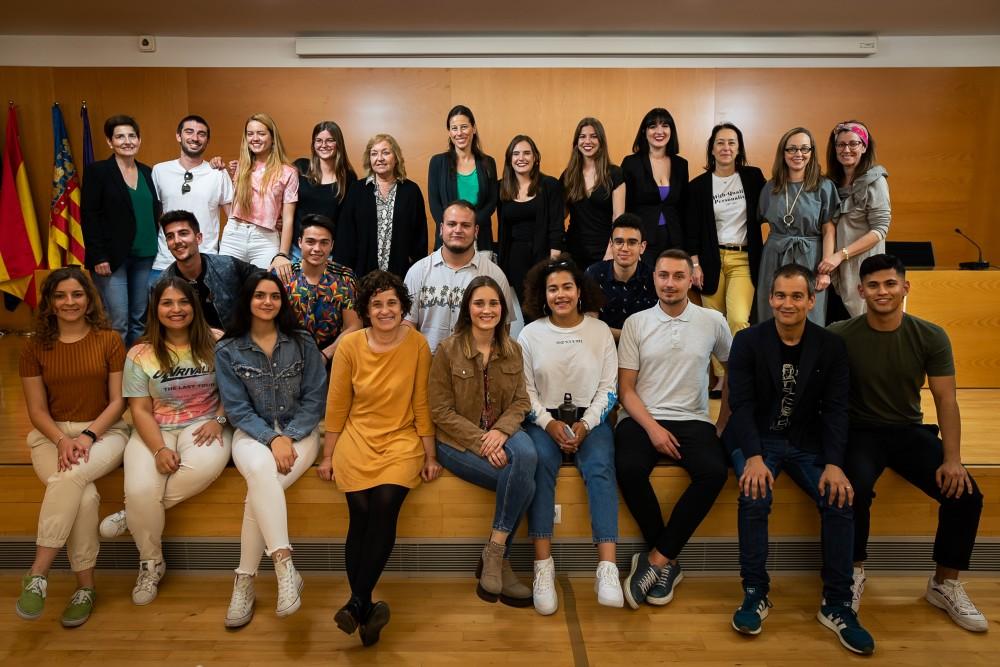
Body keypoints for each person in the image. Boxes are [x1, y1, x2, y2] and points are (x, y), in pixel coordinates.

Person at [829, 254, 987, 632]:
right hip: (860, 432)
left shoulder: (930, 335)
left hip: (907, 430)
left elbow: (946, 399)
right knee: (853, 490)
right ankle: (852, 574)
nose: (882, 292)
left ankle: (944, 584)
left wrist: (953, 459)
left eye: (890, 284)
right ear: (860, 291)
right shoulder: (840, 334)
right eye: (873, 285)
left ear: (905, 287)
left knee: (966, 495)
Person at [725, 263, 874, 655]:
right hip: (757, 439)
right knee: (754, 495)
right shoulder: (748, 341)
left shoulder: (830, 346)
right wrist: (753, 456)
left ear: (811, 300)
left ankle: (837, 603)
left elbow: (837, 409)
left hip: (807, 442)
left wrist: (835, 463)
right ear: (769, 298)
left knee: (840, 500)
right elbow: (741, 405)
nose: (787, 303)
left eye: (796, 296)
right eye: (780, 295)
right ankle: (755, 593)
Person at [319, 271, 441, 646]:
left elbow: (421, 402)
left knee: (385, 504)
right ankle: (365, 607)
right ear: (366, 310)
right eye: (376, 304)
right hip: (357, 437)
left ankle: (356, 603)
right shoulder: (351, 346)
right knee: (360, 512)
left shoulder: (417, 344)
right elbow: (337, 404)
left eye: (391, 303)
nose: (385, 310)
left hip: (401, 439)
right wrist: (328, 455)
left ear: (402, 307)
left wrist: (430, 454)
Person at [99, 277, 231, 606]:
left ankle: (133, 515)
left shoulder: (218, 342)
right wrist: (158, 448)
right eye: (167, 303)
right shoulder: (140, 353)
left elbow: (236, 392)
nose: (176, 309)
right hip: (155, 426)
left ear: (194, 306)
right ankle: (151, 563)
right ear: (155, 309)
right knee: (140, 489)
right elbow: (139, 409)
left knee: (198, 470)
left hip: (205, 424)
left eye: (183, 302)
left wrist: (218, 420)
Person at [616, 250, 732, 609]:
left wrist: (721, 423)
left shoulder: (713, 321)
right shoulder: (636, 323)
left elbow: (734, 372)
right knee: (629, 468)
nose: (670, 283)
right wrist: (652, 429)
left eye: (678, 276)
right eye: (663, 275)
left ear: (690, 279)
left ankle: (656, 560)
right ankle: (667, 559)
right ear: (654, 278)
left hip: (694, 419)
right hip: (641, 417)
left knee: (714, 472)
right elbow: (626, 390)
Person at [16, 268, 130, 628]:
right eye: (60, 296)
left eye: (77, 295)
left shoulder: (110, 340)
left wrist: (87, 436)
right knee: (85, 497)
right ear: (50, 303)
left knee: (71, 478)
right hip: (51, 436)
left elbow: (118, 402)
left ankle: (38, 571)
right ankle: (85, 588)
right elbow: (36, 410)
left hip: (105, 432)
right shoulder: (34, 346)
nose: (69, 302)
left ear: (89, 300)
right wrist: (62, 439)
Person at [214, 272, 327, 628]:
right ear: (247, 300)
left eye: (274, 296)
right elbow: (236, 409)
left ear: (282, 301)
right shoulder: (228, 349)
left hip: (302, 432)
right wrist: (271, 438)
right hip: (251, 433)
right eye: (260, 295)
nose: (267, 302)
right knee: (262, 473)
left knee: (258, 493)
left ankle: (244, 580)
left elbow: (315, 399)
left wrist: (287, 437)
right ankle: (284, 565)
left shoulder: (301, 341)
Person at [517, 256, 622, 614]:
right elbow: (525, 391)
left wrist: (587, 424)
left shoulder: (600, 331)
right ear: (542, 295)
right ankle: (542, 567)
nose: (560, 294)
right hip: (542, 421)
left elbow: (609, 388)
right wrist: (548, 424)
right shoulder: (530, 334)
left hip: (590, 420)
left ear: (580, 291)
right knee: (539, 466)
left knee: (601, 467)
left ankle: (607, 567)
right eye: (552, 289)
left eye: (567, 287)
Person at [428, 276, 536, 607]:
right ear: (468, 309)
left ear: (503, 309)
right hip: (456, 442)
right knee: (525, 485)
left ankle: (494, 550)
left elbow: (521, 401)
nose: (486, 310)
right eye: (479, 303)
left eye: (493, 303)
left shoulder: (513, 349)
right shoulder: (447, 350)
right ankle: (502, 562)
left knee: (528, 456)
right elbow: (440, 411)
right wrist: (482, 442)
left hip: (503, 432)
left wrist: (500, 433)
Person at [685, 123, 767, 396]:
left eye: (732, 142)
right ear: (711, 148)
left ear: (739, 148)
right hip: (711, 260)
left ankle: (738, 374)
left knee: (738, 318)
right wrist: (695, 265)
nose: (726, 148)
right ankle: (721, 378)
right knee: (714, 321)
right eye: (720, 142)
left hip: (743, 258)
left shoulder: (753, 177)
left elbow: (770, 208)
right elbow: (692, 231)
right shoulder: (698, 186)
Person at [82, 114, 162, 345]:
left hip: (145, 256)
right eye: (120, 137)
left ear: (139, 140)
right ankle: (116, 368)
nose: (127, 141)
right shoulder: (98, 172)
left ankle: (134, 367)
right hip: (111, 259)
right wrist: (98, 256)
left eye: (132, 136)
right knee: (118, 322)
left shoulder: (148, 173)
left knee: (140, 321)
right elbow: (89, 216)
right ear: (110, 142)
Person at [403, 200, 516, 352]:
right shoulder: (418, 272)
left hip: (475, 364)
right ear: (441, 229)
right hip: (428, 362)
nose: (458, 230)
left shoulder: (495, 275)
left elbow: (503, 328)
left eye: (465, 225)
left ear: (476, 231)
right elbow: (408, 325)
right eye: (451, 224)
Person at [756, 127, 839, 326]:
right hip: (774, 257)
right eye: (792, 149)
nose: (798, 154)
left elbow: (828, 230)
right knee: (771, 314)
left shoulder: (824, 187)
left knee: (810, 317)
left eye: (804, 148)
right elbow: (755, 222)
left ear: (812, 152)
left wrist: (825, 271)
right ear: (783, 153)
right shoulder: (771, 187)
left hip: (810, 257)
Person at [149, 114, 234, 286]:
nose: (195, 138)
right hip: (165, 261)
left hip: (206, 262)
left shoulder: (217, 173)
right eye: (189, 132)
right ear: (178, 136)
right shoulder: (159, 171)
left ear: (207, 140)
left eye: (201, 134)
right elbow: (152, 216)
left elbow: (233, 219)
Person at [818, 121, 891, 317]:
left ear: (864, 147)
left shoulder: (875, 181)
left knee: (862, 324)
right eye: (841, 144)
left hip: (862, 267)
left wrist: (841, 255)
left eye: (853, 143)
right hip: (834, 270)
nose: (846, 149)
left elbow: (880, 230)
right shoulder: (830, 183)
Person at [334, 134, 428, 278]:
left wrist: (415, 268)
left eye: (386, 153)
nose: (380, 158)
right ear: (369, 159)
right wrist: (345, 275)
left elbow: (420, 237)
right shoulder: (357, 190)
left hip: (401, 275)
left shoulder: (411, 191)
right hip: (362, 275)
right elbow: (345, 236)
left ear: (396, 158)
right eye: (374, 154)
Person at [218, 113, 298, 274]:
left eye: (261, 133)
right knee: (226, 284)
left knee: (262, 285)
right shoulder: (241, 167)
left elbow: (288, 218)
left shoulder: (288, 172)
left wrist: (283, 254)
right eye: (250, 134)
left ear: (272, 138)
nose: (255, 138)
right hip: (234, 234)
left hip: (265, 239)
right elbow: (231, 202)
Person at [278, 213, 361, 363]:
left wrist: (325, 355)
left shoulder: (345, 278)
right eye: (310, 242)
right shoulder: (285, 277)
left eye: (324, 243)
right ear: (300, 242)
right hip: (287, 357)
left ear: (332, 245)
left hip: (332, 357)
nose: (317, 248)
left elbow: (354, 326)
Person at [158, 210, 257, 330]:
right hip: (188, 341)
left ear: (198, 238)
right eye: (170, 237)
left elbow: (266, 279)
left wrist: (277, 259)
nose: (177, 241)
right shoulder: (162, 284)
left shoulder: (228, 266)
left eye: (183, 233)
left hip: (232, 339)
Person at [495, 135, 565, 302]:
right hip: (515, 258)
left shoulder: (550, 185)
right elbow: (503, 230)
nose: (521, 158)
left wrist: (553, 264)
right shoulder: (501, 187)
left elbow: (556, 227)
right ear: (509, 159)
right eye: (516, 154)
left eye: (527, 153)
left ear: (535, 157)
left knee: (543, 305)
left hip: (543, 256)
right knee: (524, 306)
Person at [621, 108, 689, 263]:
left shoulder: (681, 164)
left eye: (665, 125)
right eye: (653, 126)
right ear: (644, 132)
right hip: (642, 242)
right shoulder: (631, 163)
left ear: (671, 131)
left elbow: (684, 208)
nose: (659, 131)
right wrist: (629, 244)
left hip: (675, 241)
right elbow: (624, 208)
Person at [427, 105, 498, 250]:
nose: (459, 133)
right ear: (449, 132)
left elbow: (492, 201)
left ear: (474, 128)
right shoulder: (437, 162)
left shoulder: (488, 162)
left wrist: (470, 226)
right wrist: (453, 229)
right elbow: (435, 204)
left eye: (464, 127)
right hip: (448, 238)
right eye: (454, 128)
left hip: (481, 237)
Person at [562, 117, 626, 267]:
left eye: (593, 136)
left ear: (601, 141)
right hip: (573, 251)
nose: (587, 141)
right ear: (576, 142)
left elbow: (618, 218)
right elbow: (560, 214)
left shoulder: (615, 174)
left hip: (604, 250)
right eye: (582, 136)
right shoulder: (568, 175)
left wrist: (611, 250)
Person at [584, 213, 657, 342]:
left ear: (642, 247)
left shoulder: (653, 277)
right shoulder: (593, 274)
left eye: (632, 243)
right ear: (611, 244)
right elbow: (590, 325)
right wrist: (629, 337)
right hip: (603, 345)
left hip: (644, 347)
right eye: (619, 242)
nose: (625, 248)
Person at [291, 121, 357, 260]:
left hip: (327, 253)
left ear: (338, 143)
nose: (324, 145)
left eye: (330, 140)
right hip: (296, 250)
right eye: (319, 140)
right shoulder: (301, 167)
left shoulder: (348, 178)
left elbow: (346, 222)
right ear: (313, 144)